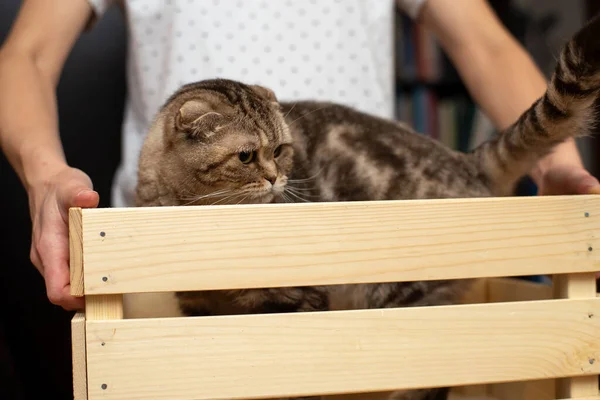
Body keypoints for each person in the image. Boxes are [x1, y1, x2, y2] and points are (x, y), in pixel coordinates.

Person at [0, 0, 598, 311]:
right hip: (166, 253)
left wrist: (557, 159)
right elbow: (24, 56)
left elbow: (484, 44)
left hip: (364, 248)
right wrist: (45, 174)